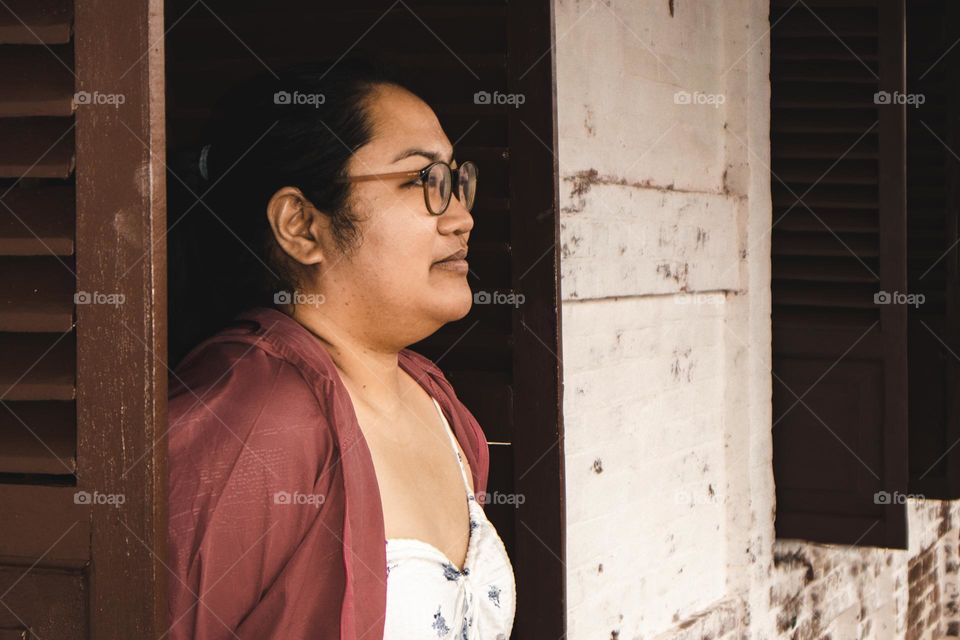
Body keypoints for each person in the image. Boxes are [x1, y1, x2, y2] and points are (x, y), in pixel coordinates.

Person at [166, 57, 516, 639]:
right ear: (302, 225)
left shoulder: (435, 400)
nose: (462, 217)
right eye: (421, 181)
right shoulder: (250, 425)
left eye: (456, 181)